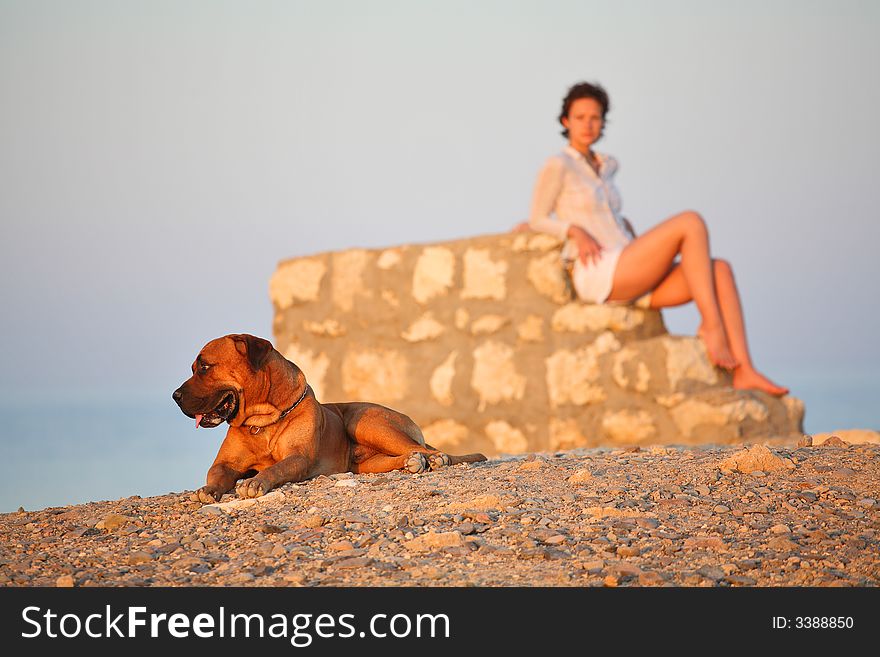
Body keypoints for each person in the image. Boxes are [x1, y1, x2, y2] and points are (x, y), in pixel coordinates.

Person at [520, 81, 788, 396]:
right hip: (601, 270)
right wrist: (574, 231)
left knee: (721, 271)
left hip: (629, 263)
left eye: (595, 117)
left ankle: (744, 370)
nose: (588, 125)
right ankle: (712, 328)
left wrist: (624, 226)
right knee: (691, 222)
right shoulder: (559, 165)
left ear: (604, 121)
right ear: (566, 121)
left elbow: (605, 215)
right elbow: (538, 218)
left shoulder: (606, 166)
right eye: (579, 117)